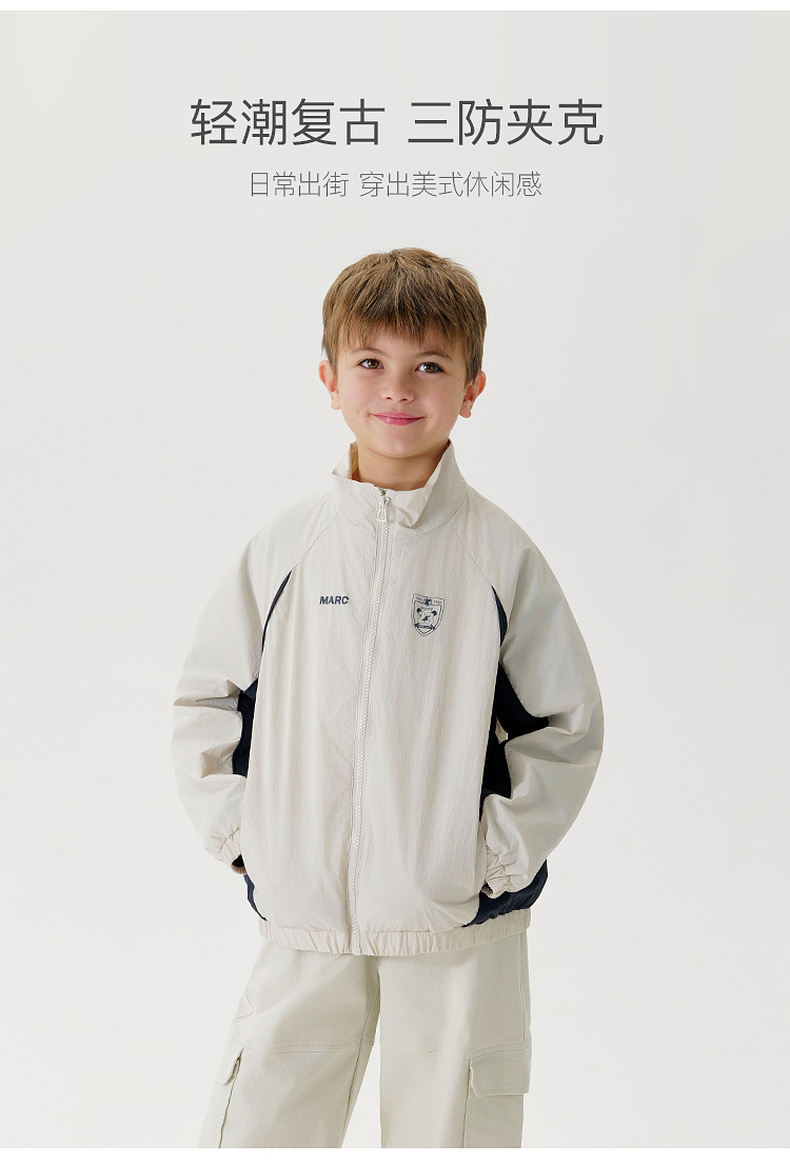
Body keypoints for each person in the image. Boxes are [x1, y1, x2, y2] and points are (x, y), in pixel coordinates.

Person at [172, 247, 604, 1148]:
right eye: (370, 361)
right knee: (260, 1127)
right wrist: (251, 841)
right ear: (329, 378)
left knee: (452, 1136)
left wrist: (486, 862)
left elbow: (563, 726)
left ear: (472, 388)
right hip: (303, 918)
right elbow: (208, 699)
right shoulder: (286, 549)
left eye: (430, 366)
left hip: (456, 925)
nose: (398, 389)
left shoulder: (500, 556)